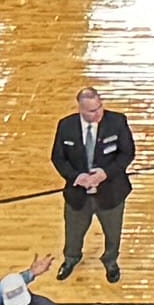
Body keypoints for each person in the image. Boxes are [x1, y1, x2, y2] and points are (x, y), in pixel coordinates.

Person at [52, 86, 136, 282]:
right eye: (92, 110)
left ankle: (111, 261)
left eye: (99, 107)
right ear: (80, 109)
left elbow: (127, 153)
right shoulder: (66, 126)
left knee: (113, 232)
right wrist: (76, 177)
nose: (98, 113)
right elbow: (58, 158)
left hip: (111, 192)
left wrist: (105, 174)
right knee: (73, 232)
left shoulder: (117, 122)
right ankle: (71, 258)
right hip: (78, 195)